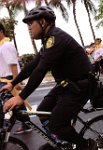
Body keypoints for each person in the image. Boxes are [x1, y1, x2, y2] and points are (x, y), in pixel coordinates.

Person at [1, 6, 97, 150]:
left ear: (43, 22)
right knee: (42, 110)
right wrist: (13, 83)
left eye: (30, 24)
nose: (28, 28)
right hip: (66, 86)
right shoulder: (48, 40)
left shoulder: (56, 38)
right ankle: (59, 140)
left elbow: (41, 70)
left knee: (56, 124)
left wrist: (21, 97)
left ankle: (86, 145)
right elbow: (34, 64)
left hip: (80, 87)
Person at [0, 22, 32, 134]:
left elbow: (13, 64)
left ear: (1, 31)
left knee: (14, 105)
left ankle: (26, 124)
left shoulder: (6, 45)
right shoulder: (2, 45)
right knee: (15, 105)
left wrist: (15, 81)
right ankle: (26, 124)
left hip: (8, 80)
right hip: (3, 80)